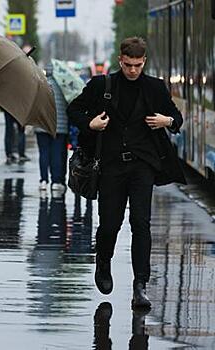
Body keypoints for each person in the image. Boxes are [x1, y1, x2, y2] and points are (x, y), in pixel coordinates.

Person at [67, 37, 185, 309]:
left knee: (141, 223)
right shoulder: (102, 85)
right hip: (110, 166)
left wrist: (167, 121)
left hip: (143, 165)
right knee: (110, 224)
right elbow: (74, 109)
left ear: (144, 62)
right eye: (129, 65)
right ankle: (103, 261)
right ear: (120, 60)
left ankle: (140, 285)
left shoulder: (154, 87)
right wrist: (90, 123)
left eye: (138, 65)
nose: (133, 70)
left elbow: (176, 118)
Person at [35, 63, 69, 194]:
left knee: (44, 153)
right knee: (57, 153)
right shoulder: (63, 86)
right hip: (59, 127)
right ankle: (56, 181)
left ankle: (43, 180)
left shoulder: (40, 85)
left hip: (41, 125)